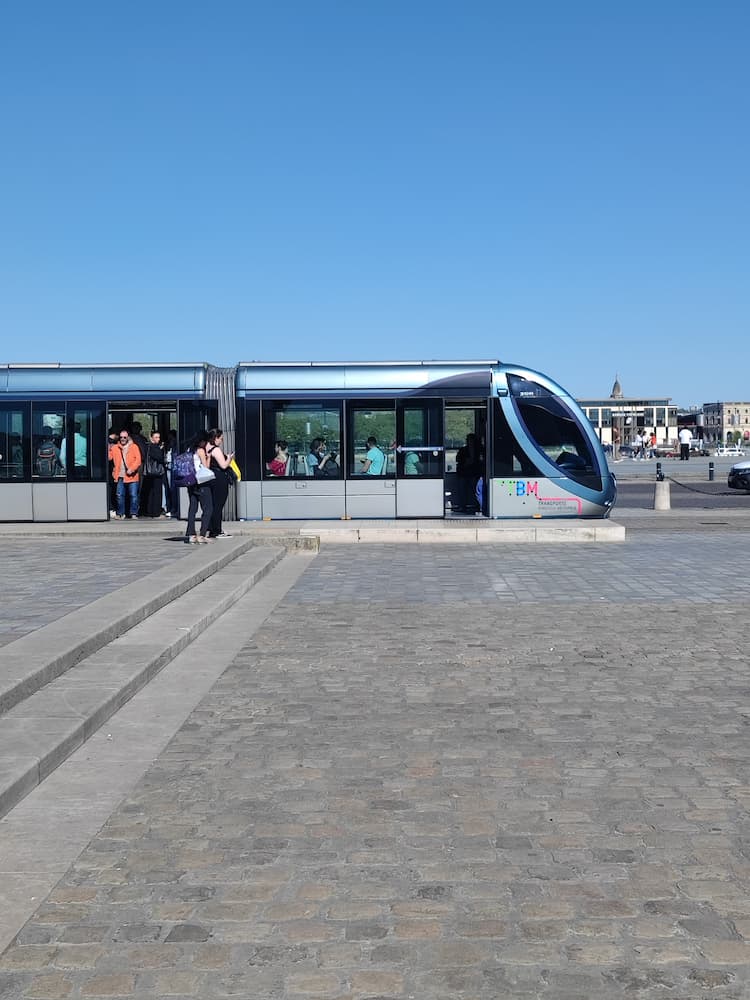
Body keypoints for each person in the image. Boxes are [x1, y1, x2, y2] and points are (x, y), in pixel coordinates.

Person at [184, 431, 214, 544]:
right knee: (208, 508)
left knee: (192, 508)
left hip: (191, 482)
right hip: (201, 482)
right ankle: (202, 535)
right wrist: (208, 457)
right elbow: (206, 468)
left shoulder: (188, 449)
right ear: (202, 441)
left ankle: (191, 534)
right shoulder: (200, 451)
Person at [206, 427, 235, 538]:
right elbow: (223, 465)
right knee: (219, 505)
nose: (221, 441)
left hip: (211, 478)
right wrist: (229, 458)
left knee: (212, 504)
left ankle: (211, 528)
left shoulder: (206, 447)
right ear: (215, 438)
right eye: (221, 439)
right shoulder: (216, 450)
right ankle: (217, 530)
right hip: (219, 478)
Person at [110, 428, 142, 519]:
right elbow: (109, 457)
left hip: (132, 476)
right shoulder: (115, 448)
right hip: (119, 475)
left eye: (124, 437)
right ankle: (121, 513)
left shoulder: (134, 447)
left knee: (133, 495)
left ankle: (133, 513)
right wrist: (109, 440)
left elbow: (138, 460)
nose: (123, 439)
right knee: (119, 495)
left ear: (128, 437)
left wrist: (131, 469)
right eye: (121, 437)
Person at [140, 429, 167, 518]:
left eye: (158, 437)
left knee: (150, 492)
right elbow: (160, 458)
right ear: (151, 438)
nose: (158, 439)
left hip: (149, 472)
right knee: (157, 492)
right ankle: (156, 512)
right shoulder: (154, 447)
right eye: (156, 437)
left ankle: (150, 510)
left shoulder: (147, 447)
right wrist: (161, 449)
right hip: (156, 472)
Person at [454, 432, 482, 513]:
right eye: (468, 440)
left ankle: (478, 506)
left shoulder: (479, 450)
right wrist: (465, 462)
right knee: (462, 491)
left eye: (470, 440)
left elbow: (480, 462)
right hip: (463, 473)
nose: (468, 441)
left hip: (474, 474)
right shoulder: (463, 450)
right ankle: (462, 506)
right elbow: (458, 459)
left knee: (475, 491)